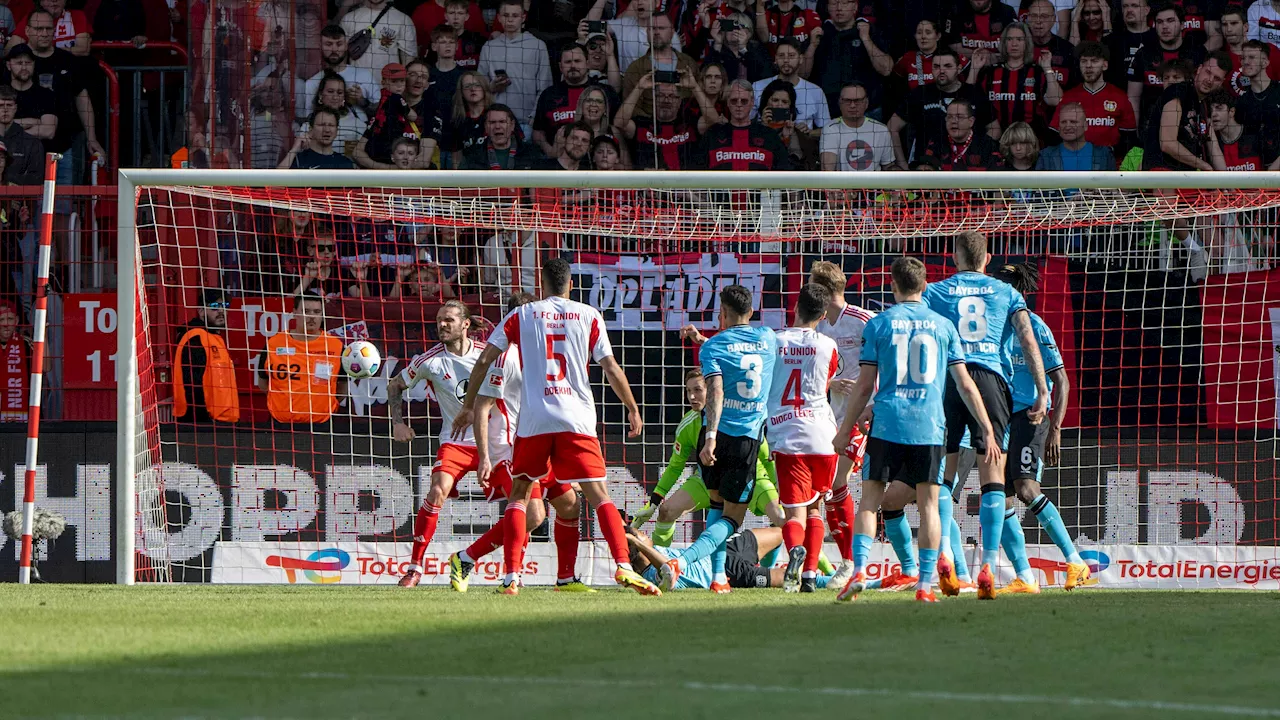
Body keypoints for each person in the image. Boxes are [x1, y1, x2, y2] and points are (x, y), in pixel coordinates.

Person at [451, 258, 661, 596]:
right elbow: (610, 366)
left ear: (541, 286)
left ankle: (513, 578)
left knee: (526, 496)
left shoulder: (522, 315)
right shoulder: (588, 315)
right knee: (597, 495)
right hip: (576, 418)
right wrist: (633, 409)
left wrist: (465, 404)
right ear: (571, 286)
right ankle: (623, 564)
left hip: (534, 421)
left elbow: (484, 358)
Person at [833, 256, 998, 604]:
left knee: (870, 500)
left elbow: (864, 385)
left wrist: (845, 429)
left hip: (888, 422)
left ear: (893, 286)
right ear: (924, 287)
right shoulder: (943, 326)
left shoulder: (879, 324)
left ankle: (859, 571)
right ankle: (924, 585)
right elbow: (966, 385)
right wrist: (987, 427)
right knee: (928, 505)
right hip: (929, 426)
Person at [921, 231, 1049, 600]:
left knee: (943, 476)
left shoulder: (937, 291)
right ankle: (988, 567)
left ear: (955, 257)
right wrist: (1042, 390)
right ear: (987, 257)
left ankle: (944, 554)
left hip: (950, 379)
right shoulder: (1007, 293)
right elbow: (1027, 339)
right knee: (992, 473)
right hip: (991, 380)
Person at [445, 292, 591, 593]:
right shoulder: (505, 355)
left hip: (538, 442)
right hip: (509, 445)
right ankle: (508, 576)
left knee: (569, 505)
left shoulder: (539, 353)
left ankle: (564, 579)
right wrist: (485, 456)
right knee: (534, 513)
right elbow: (483, 406)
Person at [959, 263, 1089, 595]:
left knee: (1027, 489)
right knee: (1000, 500)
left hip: (1032, 417)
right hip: (1003, 417)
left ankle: (1075, 560)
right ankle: (1026, 577)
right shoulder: (991, 330)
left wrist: (1055, 427)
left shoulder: (1036, 327)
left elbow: (1062, 380)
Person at [658, 285, 777, 594]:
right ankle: (680, 562)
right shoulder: (768, 339)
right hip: (746, 441)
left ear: (721, 314)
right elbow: (732, 373)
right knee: (732, 519)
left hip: (715, 439)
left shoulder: (713, 348)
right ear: (750, 312)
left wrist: (709, 437)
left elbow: (718, 387)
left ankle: (718, 577)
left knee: (715, 505)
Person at [629, 369, 795, 564]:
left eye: (698, 390)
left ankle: (781, 570)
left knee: (783, 518)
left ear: (713, 390)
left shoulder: (735, 415)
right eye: (688, 390)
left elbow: (765, 455)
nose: (692, 396)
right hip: (707, 480)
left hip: (751, 476)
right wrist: (654, 502)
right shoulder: (688, 424)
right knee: (666, 511)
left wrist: (780, 488)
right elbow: (675, 467)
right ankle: (660, 565)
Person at [390, 301, 485, 588]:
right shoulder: (429, 361)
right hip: (454, 442)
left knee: (523, 503)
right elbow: (395, 385)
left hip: (492, 443)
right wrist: (397, 422)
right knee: (436, 491)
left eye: (449, 320)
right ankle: (415, 568)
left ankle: (511, 572)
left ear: (465, 324)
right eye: (439, 320)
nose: (442, 325)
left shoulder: (489, 356)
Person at [762, 283, 841, 594]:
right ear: (822, 315)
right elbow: (826, 381)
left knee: (795, 514)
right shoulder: (828, 346)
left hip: (788, 435)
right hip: (822, 435)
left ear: (794, 307)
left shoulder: (774, 342)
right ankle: (809, 574)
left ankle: (794, 562)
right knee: (815, 508)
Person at [805, 261, 872, 589]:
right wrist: (832, 383)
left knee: (835, 481)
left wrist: (872, 401)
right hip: (832, 418)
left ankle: (850, 564)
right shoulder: (818, 327)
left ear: (825, 290)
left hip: (864, 416)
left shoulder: (862, 320)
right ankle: (847, 564)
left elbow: (888, 358)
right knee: (827, 488)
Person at [628, 525, 832, 590]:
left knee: (784, 531)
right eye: (642, 535)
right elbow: (667, 571)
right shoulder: (651, 575)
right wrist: (635, 542)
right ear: (638, 549)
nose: (646, 534)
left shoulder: (658, 549)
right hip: (731, 574)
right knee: (793, 579)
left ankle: (760, 566)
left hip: (726, 550)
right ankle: (840, 581)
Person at [888, 49, 997, 168]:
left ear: (959, 68)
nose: (941, 71)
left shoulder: (974, 93)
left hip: (968, 169)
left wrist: (979, 150)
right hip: (926, 168)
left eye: (947, 66)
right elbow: (892, 127)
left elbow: (995, 129)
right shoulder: (919, 94)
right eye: (936, 66)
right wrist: (903, 165)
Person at [254, 290, 344, 428]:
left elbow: (342, 387)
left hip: (322, 425)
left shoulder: (336, 346)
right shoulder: (274, 344)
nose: (312, 317)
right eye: (306, 311)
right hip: (280, 424)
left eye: (317, 312)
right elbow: (263, 383)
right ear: (294, 312)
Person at [969, 22, 1062, 136]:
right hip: (996, 140)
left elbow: (1055, 101)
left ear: (1027, 43)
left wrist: (1047, 68)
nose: (1014, 44)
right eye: (1009, 39)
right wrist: (974, 68)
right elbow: (968, 100)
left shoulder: (1038, 72)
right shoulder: (990, 73)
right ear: (1004, 43)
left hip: (1031, 140)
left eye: (1019, 39)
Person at [1142, 52, 1231, 169]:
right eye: (1208, 72)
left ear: (1221, 83)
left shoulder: (1205, 104)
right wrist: (1205, 166)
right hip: (1162, 172)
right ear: (1199, 69)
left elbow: (1214, 148)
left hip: (1188, 177)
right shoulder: (1178, 91)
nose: (1210, 80)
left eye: (1217, 78)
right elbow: (1168, 144)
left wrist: (1227, 183)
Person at [805, 0, 894, 112]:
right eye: (833, 3)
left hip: (867, 112)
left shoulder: (871, 31)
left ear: (855, 7)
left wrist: (866, 39)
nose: (839, 8)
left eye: (844, 3)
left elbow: (886, 70)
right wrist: (812, 46)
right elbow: (802, 75)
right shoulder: (818, 34)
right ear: (827, 7)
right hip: (827, 112)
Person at [531, 44, 618, 156]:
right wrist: (551, 152)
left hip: (596, 161)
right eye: (568, 62)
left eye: (577, 61)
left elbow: (618, 126)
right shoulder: (548, 95)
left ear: (587, 64)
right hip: (559, 161)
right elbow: (538, 133)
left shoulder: (605, 91)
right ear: (560, 67)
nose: (573, 65)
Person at [1128, 4, 1206, 128]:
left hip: (1189, 127)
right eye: (1159, 22)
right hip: (1151, 128)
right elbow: (1133, 99)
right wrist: (1135, 134)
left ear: (1182, 25)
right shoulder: (1143, 54)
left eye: (1170, 21)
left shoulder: (1197, 52)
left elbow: (1205, 94)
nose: (1164, 26)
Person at [477, 0, 551, 129]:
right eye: (506, 15)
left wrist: (534, 118)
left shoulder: (538, 46)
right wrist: (492, 87)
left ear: (523, 18)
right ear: (499, 18)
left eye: (515, 16)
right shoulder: (488, 47)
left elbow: (545, 87)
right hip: (496, 121)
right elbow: (479, 86)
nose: (510, 20)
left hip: (526, 121)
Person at [616, 72, 714, 170]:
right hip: (649, 184)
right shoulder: (642, 124)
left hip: (684, 183)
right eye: (661, 95)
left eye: (671, 96)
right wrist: (639, 88)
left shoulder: (689, 124)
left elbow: (713, 121)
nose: (666, 100)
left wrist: (695, 87)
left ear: (679, 101)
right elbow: (619, 122)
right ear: (654, 99)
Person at [1051, 42, 1137, 152]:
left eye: (1094, 61)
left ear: (1105, 65)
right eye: (1084, 61)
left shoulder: (1119, 97)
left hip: (1111, 163)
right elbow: (1054, 136)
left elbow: (1130, 140)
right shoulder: (1069, 97)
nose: (1088, 66)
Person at [355, 59, 440, 169]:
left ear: (427, 84)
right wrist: (386, 169)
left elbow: (423, 162)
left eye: (423, 77)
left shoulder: (431, 112)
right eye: (412, 75)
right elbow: (357, 152)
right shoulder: (384, 105)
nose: (418, 80)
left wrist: (389, 169)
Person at [173, 288, 240, 424]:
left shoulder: (213, 338)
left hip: (219, 421)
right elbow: (192, 383)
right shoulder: (196, 338)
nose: (221, 311)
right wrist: (204, 421)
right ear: (201, 311)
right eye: (215, 306)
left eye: (225, 306)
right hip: (201, 424)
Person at [696, 80, 792, 169]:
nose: (739, 104)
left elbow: (783, 171)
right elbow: (698, 171)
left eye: (744, 101)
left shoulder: (770, 136)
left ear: (752, 102)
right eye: (734, 100)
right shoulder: (712, 134)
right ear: (728, 102)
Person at [295, 25, 378, 123]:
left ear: (346, 46)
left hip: (360, 135)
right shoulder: (311, 83)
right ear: (320, 46)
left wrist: (362, 101)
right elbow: (307, 121)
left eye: (339, 44)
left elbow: (382, 113)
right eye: (328, 44)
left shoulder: (365, 76)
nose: (334, 49)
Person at [620, 13, 696, 117]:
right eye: (652, 28)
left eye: (661, 28)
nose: (656, 32)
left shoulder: (689, 64)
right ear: (647, 32)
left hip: (684, 127)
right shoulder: (635, 69)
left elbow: (697, 101)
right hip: (648, 128)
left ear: (672, 32)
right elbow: (630, 109)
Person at [752, 38, 830, 137]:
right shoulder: (757, 87)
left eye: (791, 56)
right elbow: (745, 123)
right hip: (764, 145)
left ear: (801, 59)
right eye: (781, 56)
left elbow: (827, 129)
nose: (786, 60)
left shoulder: (815, 91)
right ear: (775, 59)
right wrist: (762, 124)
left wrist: (809, 133)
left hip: (801, 149)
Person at [820, 82, 894, 170]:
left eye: (857, 101)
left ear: (866, 103)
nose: (852, 105)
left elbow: (889, 167)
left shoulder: (881, 130)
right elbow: (827, 169)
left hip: (873, 183)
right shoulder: (831, 129)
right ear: (840, 103)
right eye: (847, 101)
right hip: (842, 183)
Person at [914, 98, 1005, 169]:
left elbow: (999, 184)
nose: (953, 121)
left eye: (959, 117)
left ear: (971, 121)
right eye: (949, 117)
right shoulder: (936, 143)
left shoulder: (987, 145)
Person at [1205, 88, 1280, 169]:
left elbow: (1271, 172)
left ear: (1232, 111)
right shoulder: (1212, 143)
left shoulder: (1255, 133)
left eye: (1219, 108)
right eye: (1211, 110)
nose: (1213, 114)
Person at [339, 0, 417, 75]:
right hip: (355, 85)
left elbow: (408, 61)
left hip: (388, 85)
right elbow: (341, 57)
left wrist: (399, 85)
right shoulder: (348, 19)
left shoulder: (403, 20)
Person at [460, 104, 544, 169]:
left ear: (512, 125)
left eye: (502, 122)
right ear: (485, 126)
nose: (497, 126)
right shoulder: (471, 156)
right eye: (492, 122)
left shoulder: (532, 154)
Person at [1037, 101, 1117, 167]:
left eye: (1073, 122)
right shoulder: (1046, 156)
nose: (1067, 127)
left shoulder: (1104, 155)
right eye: (1063, 122)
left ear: (1085, 126)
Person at [440, 70, 492, 166]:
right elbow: (456, 155)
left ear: (484, 88)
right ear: (462, 92)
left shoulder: (498, 113)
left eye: (477, 85)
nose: (473, 89)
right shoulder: (458, 121)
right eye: (467, 86)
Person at [308, 72, 368, 154]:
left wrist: (358, 152)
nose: (335, 97)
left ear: (344, 97)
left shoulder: (358, 125)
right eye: (330, 91)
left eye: (339, 93)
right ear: (320, 95)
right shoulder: (308, 126)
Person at [6, 43, 56, 142]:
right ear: (9, 65)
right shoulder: (2, 93)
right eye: (19, 63)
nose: (24, 67)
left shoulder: (46, 95)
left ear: (34, 64)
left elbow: (48, 131)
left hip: (37, 154)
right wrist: (34, 122)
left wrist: (10, 129)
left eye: (28, 63)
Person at [705, 11, 774, 82]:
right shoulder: (718, 51)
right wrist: (718, 44)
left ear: (749, 32)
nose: (734, 30)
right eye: (730, 26)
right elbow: (706, 76)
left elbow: (765, 76)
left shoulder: (759, 50)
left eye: (739, 26)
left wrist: (743, 49)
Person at [279, 108, 357, 169]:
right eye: (321, 125)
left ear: (337, 130)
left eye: (331, 125)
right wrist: (294, 150)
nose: (327, 130)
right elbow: (275, 185)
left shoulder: (345, 163)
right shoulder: (298, 160)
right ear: (311, 129)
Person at [0, 86, 43, 185]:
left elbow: (37, 178)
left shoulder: (32, 143)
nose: (5, 109)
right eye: (1, 105)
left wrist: (9, 181)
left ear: (15, 108)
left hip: (20, 198)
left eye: (9, 105)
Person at [1027, 0, 1077, 86]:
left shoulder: (1068, 50)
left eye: (1044, 16)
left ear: (1053, 19)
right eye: (1034, 16)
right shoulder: (1020, 47)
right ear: (1028, 18)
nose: (1038, 21)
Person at [1234, 40, 1280, 133]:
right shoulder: (1242, 102)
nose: (1245, 62)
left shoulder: (1278, 90)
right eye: (1243, 58)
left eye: (1251, 57)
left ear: (1265, 63)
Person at [755, 79, 805, 165]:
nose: (779, 105)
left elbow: (796, 156)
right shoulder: (753, 126)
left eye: (784, 102)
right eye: (775, 100)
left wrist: (786, 138)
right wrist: (764, 127)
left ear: (790, 106)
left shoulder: (794, 130)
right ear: (766, 102)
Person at [947, 0, 1019, 57]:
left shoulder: (1007, 12)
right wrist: (979, 56)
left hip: (1000, 65)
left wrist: (995, 57)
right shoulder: (956, 12)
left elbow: (1017, 45)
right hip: (967, 66)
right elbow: (953, 45)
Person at [1108, 0, 1154, 85]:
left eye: (1135, 6)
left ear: (1146, 10)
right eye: (1125, 6)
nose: (1129, 10)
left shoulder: (1158, 37)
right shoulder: (1110, 41)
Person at [755, 0, 822, 55]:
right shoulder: (766, 15)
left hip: (801, 67)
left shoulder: (808, 15)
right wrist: (760, 6)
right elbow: (764, 38)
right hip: (772, 67)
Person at [427, 25, 464, 105]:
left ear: (457, 46)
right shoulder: (427, 74)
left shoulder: (464, 75)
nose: (448, 45)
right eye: (443, 42)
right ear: (434, 46)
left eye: (451, 42)